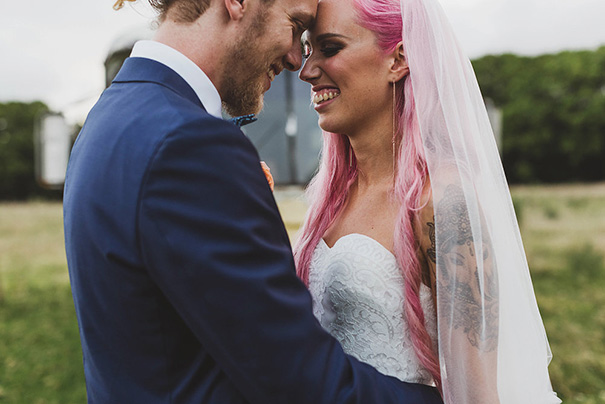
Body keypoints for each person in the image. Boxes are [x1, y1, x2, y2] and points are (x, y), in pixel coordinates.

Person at [63, 0, 446, 403]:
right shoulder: (189, 145)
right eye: (294, 25)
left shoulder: (112, 117)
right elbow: (294, 376)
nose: (297, 61)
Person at [294, 0, 561, 402]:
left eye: (330, 48)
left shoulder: (441, 200)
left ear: (399, 59)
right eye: (307, 49)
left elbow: (476, 393)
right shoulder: (329, 197)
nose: (307, 70)